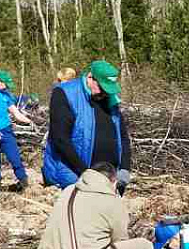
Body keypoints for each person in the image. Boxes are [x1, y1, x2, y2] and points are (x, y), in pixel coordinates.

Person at [42, 60, 132, 191]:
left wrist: (124, 169)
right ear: (90, 77)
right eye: (102, 87)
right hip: (72, 175)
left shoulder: (108, 98)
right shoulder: (64, 93)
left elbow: (122, 136)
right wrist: (86, 173)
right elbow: (60, 139)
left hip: (106, 178)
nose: (105, 92)